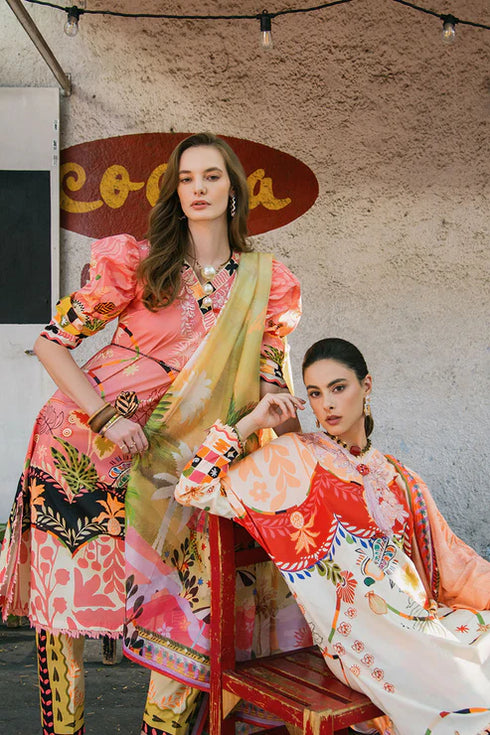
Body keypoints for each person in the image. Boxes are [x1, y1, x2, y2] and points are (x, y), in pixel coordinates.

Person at [0, 133, 306, 735]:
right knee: (66, 615)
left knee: (193, 616)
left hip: (187, 469)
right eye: (186, 178)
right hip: (83, 454)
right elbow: (51, 343)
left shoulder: (266, 283)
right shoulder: (137, 264)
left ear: (233, 190)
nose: (198, 188)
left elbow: (270, 383)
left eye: (211, 176)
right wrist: (106, 417)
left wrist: (294, 429)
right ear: (174, 192)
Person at [175, 337, 490, 735]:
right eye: (315, 393)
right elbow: (192, 487)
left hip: (423, 624)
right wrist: (252, 422)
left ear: (366, 385)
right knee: (470, 699)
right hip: (367, 646)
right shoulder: (291, 459)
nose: (327, 404)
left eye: (338, 388)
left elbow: (457, 566)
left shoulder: (397, 475)